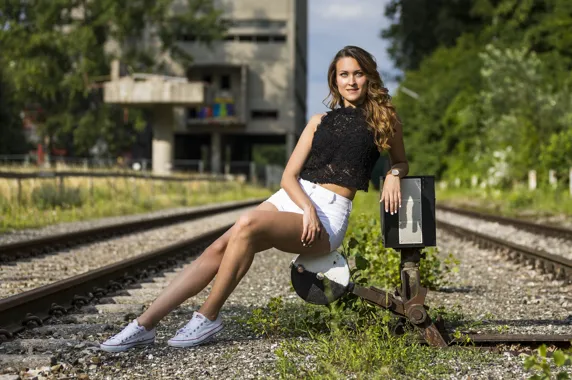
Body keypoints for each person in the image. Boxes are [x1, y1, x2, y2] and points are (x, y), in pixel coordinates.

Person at [99, 45, 408, 352]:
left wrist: (394, 175)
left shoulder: (384, 121)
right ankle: (143, 325)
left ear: (369, 78)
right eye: (344, 74)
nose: (351, 81)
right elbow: (288, 176)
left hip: (329, 213)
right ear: (334, 80)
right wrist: (305, 207)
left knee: (247, 223)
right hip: (295, 197)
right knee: (217, 248)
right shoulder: (318, 122)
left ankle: (208, 315)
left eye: (358, 74)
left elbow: (400, 161)